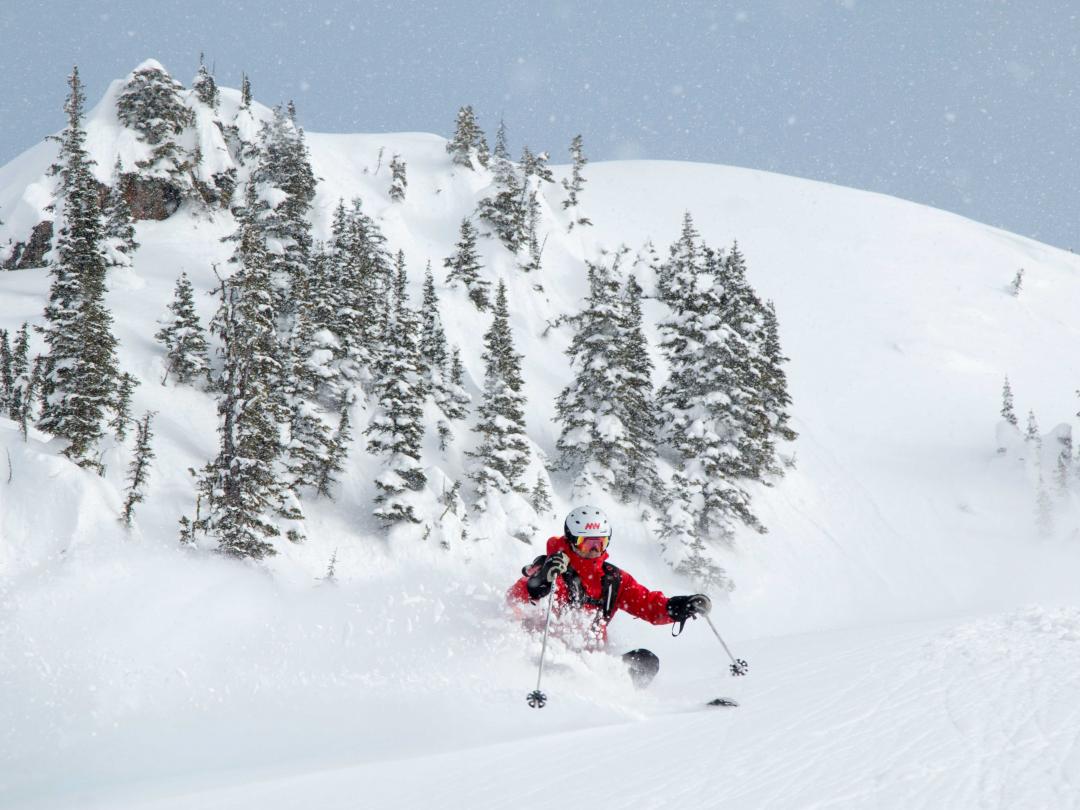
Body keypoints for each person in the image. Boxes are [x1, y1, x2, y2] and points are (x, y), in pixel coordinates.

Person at [508, 505, 712, 688]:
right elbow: (516, 599)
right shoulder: (551, 568)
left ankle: (628, 705)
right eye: (587, 544)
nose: (595, 551)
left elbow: (647, 603)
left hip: (594, 666)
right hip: (548, 662)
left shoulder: (613, 580)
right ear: (571, 541)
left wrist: (679, 607)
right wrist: (540, 582)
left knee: (646, 660)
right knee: (568, 671)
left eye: (601, 543)